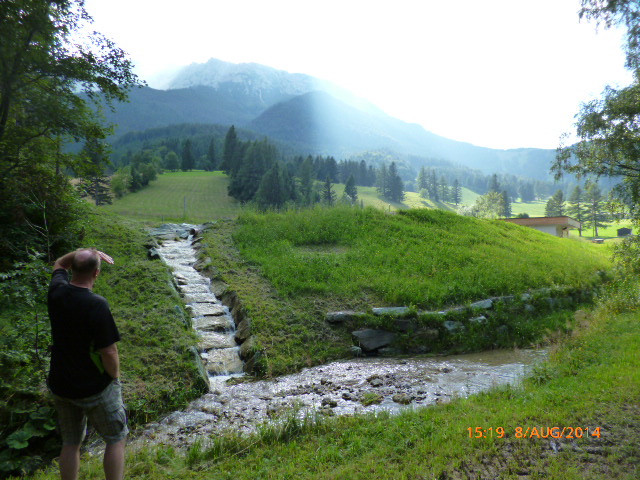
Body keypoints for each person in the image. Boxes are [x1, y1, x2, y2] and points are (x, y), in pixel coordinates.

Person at [47, 248, 127, 480]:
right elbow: (109, 351)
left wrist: (85, 253)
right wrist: (114, 377)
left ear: (73, 268)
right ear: (97, 274)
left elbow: (59, 264)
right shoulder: (97, 304)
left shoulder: (56, 292)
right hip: (94, 387)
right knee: (116, 438)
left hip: (61, 383)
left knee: (71, 442)